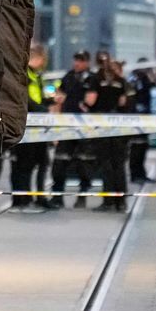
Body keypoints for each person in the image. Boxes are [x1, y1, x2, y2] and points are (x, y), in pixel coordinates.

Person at [6, 43, 52, 211]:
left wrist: (49, 103)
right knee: (23, 165)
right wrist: (44, 110)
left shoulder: (36, 76)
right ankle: (21, 201)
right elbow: (24, 100)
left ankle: (36, 198)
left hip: (37, 126)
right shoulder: (22, 74)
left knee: (40, 163)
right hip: (25, 126)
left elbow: (37, 98)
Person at [48, 50, 94, 208]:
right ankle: (57, 196)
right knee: (60, 161)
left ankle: (82, 196)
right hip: (66, 125)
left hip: (83, 126)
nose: (77, 63)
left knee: (83, 162)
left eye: (81, 60)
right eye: (76, 60)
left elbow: (91, 101)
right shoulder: (68, 77)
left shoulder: (92, 78)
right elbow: (58, 98)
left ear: (87, 62)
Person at [87, 57, 130, 211]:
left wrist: (85, 105)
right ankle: (121, 201)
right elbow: (122, 102)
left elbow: (91, 101)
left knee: (105, 164)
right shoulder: (121, 81)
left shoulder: (96, 80)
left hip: (102, 126)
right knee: (119, 164)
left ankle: (108, 201)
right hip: (118, 127)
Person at [126, 58, 156, 183]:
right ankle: (135, 174)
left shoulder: (145, 78)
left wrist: (151, 76)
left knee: (143, 145)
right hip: (135, 116)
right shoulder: (133, 79)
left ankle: (141, 173)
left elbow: (153, 86)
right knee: (136, 146)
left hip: (145, 116)